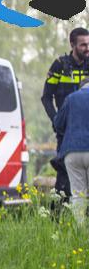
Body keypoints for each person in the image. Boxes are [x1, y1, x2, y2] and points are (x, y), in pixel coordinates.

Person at [41, 27, 89, 199]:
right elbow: (46, 98)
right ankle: (59, 218)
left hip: (86, 128)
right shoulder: (59, 66)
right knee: (64, 177)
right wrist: (56, 121)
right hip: (65, 130)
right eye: (83, 45)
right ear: (72, 44)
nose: (87, 48)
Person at [53, 78, 89, 226]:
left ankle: (80, 231)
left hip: (72, 152)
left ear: (81, 87)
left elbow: (58, 124)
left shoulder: (71, 98)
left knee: (78, 194)